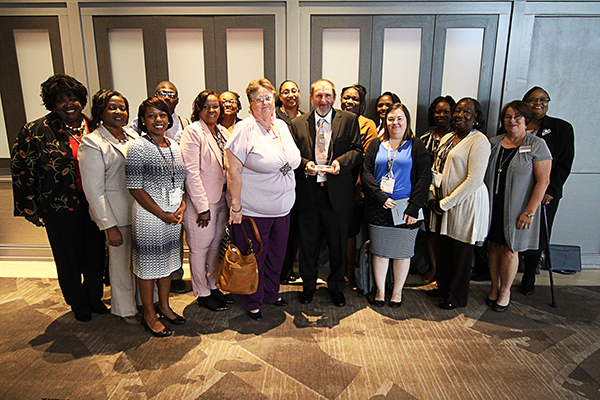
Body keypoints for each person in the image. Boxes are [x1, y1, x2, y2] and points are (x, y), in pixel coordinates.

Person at [11, 74, 107, 322]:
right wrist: (29, 206)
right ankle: (79, 303)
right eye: (61, 100)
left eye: (73, 99)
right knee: (68, 257)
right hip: (58, 206)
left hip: (94, 205)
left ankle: (95, 298)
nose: (69, 105)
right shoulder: (35, 131)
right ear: (52, 104)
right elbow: (22, 169)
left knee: (95, 254)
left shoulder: (94, 126)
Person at [225, 78, 301, 320]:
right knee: (254, 256)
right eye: (259, 99)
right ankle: (252, 301)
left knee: (277, 255)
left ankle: (270, 292)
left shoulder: (281, 126)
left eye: (268, 97)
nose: (265, 102)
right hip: (253, 210)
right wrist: (235, 207)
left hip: (283, 208)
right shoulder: (244, 129)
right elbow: (232, 170)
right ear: (250, 105)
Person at [290, 79, 363, 307]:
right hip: (308, 193)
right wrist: (304, 165)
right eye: (318, 96)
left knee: (338, 244)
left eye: (328, 96)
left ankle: (336, 287)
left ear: (334, 97)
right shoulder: (298, 123)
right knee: (308, 243)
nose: (323, 100)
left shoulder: (349, 120)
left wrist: (342, 163)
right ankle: (308, 286)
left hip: (338, 194)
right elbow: (292, 155)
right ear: (311, 98)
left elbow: (357, 150)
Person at [126, 97, 187, 337]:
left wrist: (181, 206)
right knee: (149, 267)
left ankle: (165, 306)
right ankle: (149, 315)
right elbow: (134, 187)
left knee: (168, 265)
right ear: (143, 120)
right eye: (151, 116)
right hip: (150, 217)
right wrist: (162, 214)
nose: (158, 120)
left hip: (173, 216)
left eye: (162, 115)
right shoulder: (138, 147)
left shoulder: (173, 145)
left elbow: (180, 181)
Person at [78, 89, 140, 324]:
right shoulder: (93, 142)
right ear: (100, 112)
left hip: (140, 210)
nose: (118, 112)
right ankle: (125, 309)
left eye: (122, 107)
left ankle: (144, 301)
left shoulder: (133, 136)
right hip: (116, 214)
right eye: (112, 107)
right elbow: (94, 190)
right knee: (121, 265)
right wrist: (108, 225)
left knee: (140, 262)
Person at [484, 101, 551, 312]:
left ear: (525, 119)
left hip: (518, 209)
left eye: (517, 117)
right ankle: (494, 288)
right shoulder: (494, 142)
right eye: (507, 117)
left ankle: (505, 292)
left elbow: (543, 182)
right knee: (494, 247)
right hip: (494, 206)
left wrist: (530, 212)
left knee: (510, 250)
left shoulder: (537, 144)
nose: (512, 121)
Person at [362, 103, 431, 307]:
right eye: (391, 119)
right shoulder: (376, 144)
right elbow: (366, 173)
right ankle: (381, 292)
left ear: (407, 121)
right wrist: (379, 196)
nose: (395, 123)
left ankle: (397, 292)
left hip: (406, 209)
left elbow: (424, 177)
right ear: (386, 121)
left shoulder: (416, 145)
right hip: (379, 206)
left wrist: (414, 207)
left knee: (403, 252)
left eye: (400, 118)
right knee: (380, 250)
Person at [427, 97, 490, 309]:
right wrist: (434, 196)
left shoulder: (479, 141)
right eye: (458, 111)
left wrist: (446, 203)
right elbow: (437, 168)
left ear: (476, 117)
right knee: (445, 248)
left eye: (467, 112)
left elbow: (474, 180)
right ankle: (443, 288)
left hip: (465, 204)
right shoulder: (449, 137)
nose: (460, 115)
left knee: (461, 252)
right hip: (444, 201)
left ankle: (457, 297)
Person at [519, 87, 575, 295]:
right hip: (517, 190)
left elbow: (564, 163)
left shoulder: (560, 128)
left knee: (539, 233)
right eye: (533, 100)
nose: (538, 103)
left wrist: (551, 189)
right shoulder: (516, 124)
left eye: (543, 99)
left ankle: (529, 274)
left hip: (545, 193)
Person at [180, 90, 233, 312]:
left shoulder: (222, 132)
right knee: (200, 249)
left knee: (214, 246)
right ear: (198, 109)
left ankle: (212, 286)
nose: (211, 110)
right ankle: (201, 292)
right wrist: (202, 207)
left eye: (215, 106)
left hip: (222, 199)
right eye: (206, 106)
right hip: (202, 203)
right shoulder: (192, 132)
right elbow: (191, 172)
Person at [340, 83, 378, 285]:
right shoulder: (334, 119)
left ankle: (349, 271)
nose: (350, 102)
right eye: (346, 98)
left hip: (355, 186)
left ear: (361, 103)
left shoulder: (367, 124)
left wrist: (358, 188)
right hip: (335, 183)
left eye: (354, 99)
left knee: (349, 232)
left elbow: (367, 160)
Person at [420, 95, 456, 283]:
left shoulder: (459, 138)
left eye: (446, 112)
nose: (441, 115)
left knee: (449, 232)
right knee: (431, 231)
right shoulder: (425, 138)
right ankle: (433, 268)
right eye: (438, 111)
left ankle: (446, 271)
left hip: (451, 190)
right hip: (429, 191)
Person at [276, 80, 304, 284]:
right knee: (279, 229)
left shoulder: (306, 118)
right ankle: (279, 271)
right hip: (278, 178)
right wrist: (285, 169)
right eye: (286, 91)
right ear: (279, 96)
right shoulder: (273, 118)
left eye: (294, 91)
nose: (291, 95)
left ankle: (290, 269)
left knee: (295, 229)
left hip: (302, 179)